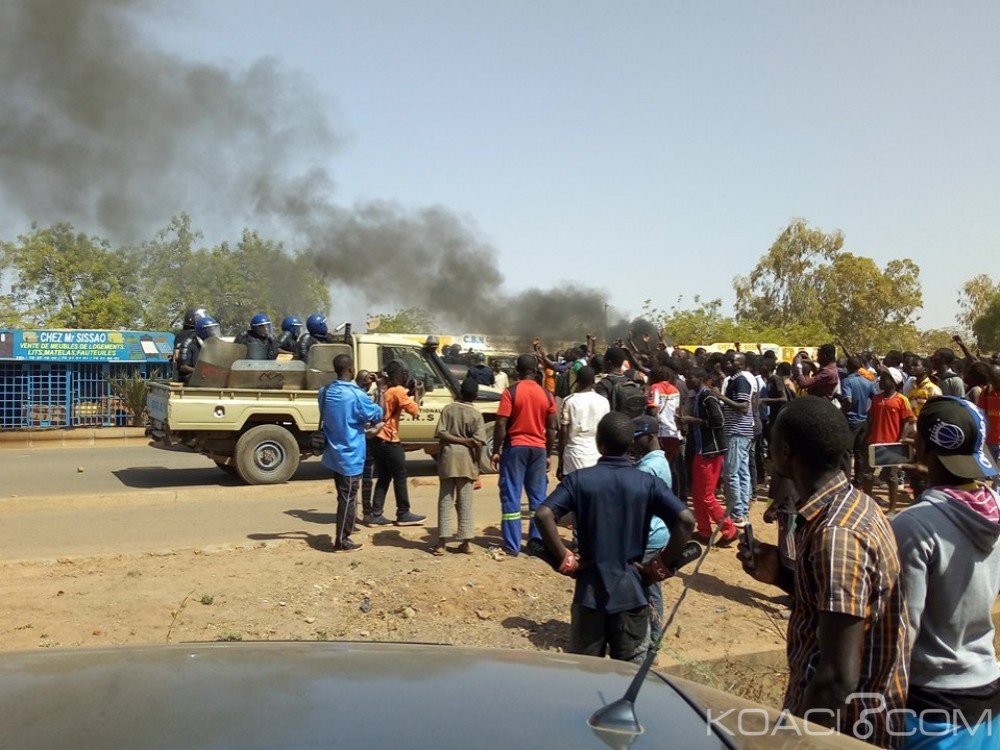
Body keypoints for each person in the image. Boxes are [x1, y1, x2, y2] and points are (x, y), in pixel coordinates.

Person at [738, 396, 910, 747]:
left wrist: (794, 742)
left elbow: (836, 677)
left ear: (785, 451)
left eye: (772, 442)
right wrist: (782, 576)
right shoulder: (851, 504)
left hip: (843, 733)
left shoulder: (838, 534)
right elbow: (840, 612)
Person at [535, 412, 695, 663]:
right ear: (631, 443)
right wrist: (660, 567)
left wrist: (566, 560)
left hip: (589, 593)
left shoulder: (579, 480)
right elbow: (686, 521)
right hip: (632, 594)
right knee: (629, 675)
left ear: (598, 442)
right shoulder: (647, 482)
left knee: (585, 673)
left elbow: (544, 514)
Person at [891, 396, 1000, 747]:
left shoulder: (913, 526)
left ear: (920, 446)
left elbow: (903, 631)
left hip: (932, 709)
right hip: (987, 695)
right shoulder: (993, 507)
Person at [491, 353, 558, 556]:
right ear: (535, 371)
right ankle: (536, 542)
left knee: (511, 494)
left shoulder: (511, 392)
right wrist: (547, 452)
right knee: (537, 497)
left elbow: (501, 422)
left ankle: (512, 546)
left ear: (517, 370)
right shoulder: (547, 395)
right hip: (538, 449)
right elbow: (552, 427)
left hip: (515, 448)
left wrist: (496, 450)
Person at [319, 353, 385, 552]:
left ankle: (348, 530)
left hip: (333, 452)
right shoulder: (357, 395)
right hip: (351, 453)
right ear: (350, 370)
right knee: (347, 497)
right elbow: (377, 414)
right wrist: (380, 389)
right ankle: (342, 540)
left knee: (343, 495)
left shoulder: (325, 390)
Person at [677, 367, 737, 545]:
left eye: (691, 377)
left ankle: (729, 528)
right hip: (701, 450)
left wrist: (693, 421)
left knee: (706, 495)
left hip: (711, 452)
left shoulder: (708, 396)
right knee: (696, 493)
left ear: (701, 379)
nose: (687, 380)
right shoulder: (698, 396)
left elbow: (718, 421)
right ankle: (704, 530)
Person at [631, 414, 673, 645]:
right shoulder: (658, 461)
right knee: (650, 587)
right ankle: (652, 638)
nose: (633, 443)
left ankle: (651, 640)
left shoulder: (649, 467)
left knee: (647, 588)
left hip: (649, 534)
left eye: (637, 439)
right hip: (656, 531)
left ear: (649, 437)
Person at [368, 359, 426, 527]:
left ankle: (375, 514)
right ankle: (403, 513)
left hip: (377, 439)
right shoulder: (398, 391)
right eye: (405, 373)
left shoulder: (385, 389)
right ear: (401, 375)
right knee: (400, 475)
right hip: (389, 439)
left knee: (384, 477)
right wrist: (417, 394)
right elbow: (415, 411)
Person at [433, 378, 487, 556]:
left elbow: (440, 432)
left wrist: (456, 440)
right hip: (467, 462)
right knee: (466, 502)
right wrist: (477, 465)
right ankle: (466, 542)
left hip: (448, 460)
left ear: (460, 391)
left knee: (445, 501)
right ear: (476, 396)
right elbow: (478, 443)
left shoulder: (448, 409)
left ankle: (442, 543)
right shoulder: (476, 415)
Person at [863, 367, 916, 514]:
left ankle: (892, 508)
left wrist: (902, 440)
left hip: (891, 445)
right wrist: (866, 438)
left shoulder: (902, 400)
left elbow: (909, 422)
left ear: (894, 382)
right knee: (867, 475)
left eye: (885, 378)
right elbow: (871, 420)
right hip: (873, 443)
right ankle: (867, 505)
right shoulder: (876, 399)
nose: (881, 380)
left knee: (892, 477)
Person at [718, 353, 755, 527]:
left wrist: (721, 397)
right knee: (741, 472)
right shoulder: (734, 380)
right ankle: (742, 510)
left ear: (740, 364)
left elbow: (743, 406)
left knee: (731, 473)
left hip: (737, 432)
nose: (728, 363)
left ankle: (737, 513)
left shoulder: (741, 381)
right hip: (740, 432)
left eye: (732, 361)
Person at [556, 365, 609, 479]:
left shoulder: (569, 401)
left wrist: (561, 458)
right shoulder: (604, 402)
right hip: (596, 454)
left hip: (574, 455)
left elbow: (564, 432)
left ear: (577, 380)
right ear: (594, 381)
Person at [840, 356, 878, 485]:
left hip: (851, 421)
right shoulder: (867, 382)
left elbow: (848, 400)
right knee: (859, 453)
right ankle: (858, 481)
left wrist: (841, 412)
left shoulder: (846, 381)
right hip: (864, 421)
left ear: (848, 367)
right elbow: (875, 398)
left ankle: (846, 482)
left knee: (847, 452)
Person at [176, 315, 220, 384]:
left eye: (215, 329)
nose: (214, 333)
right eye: (211, 330)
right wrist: (199, 371)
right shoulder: (188, 344)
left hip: (207, 377)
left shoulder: (213, 345)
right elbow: (183, 367)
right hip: (189, 377)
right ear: (203, 331)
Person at [171, 306, 208, 380]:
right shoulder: (194, 335)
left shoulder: (180, 335)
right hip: (190, 376)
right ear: (191, 319)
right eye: (200, 318)